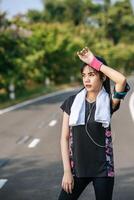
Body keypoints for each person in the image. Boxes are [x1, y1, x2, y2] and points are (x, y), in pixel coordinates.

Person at [58, 47, 130, 200]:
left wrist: (94, 62)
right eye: (84, 75)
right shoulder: (71, 102)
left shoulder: (109, 103)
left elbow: (121, 80)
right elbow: (64, 138)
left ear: (102, 77)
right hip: (76, 170)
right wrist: (66, 171)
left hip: (103, 170)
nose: (86, 79)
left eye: (92, 75)